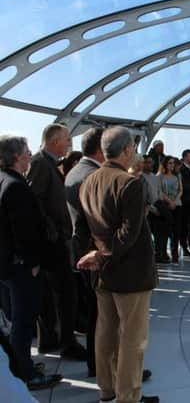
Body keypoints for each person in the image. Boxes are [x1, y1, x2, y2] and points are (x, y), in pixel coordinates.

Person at [76, 126, 159, 403]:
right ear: (125, 150)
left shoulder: (88, 181)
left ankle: (107, 389)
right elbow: (129, 233)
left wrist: (96, 255)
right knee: (133, 338)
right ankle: (129, 396)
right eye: (133, 148)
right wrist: (102, 255)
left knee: (106, 333)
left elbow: (86, 229)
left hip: (103, 275)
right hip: (131, 275)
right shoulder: (129, 183)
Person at [0, 135, 63, 390]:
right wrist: (32, 262)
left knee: (16, 319)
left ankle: (19, 363)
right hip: (21, 268)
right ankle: (25, 373)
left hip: (7, 266)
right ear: (16, 156)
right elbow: (24, 231)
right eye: (26, 151)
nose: (29, 155)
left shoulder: (4, 181)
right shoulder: (15, 186)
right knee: (24, 321)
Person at [27, 124, 87, 360]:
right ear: (53, 141)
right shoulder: (42, 163)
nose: (68, 144)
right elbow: (35, 201)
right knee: (64, 292)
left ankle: (52, 340)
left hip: (55, 239)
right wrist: (52, 231)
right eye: (65, 140)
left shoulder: (48, 163)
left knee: (56, 293)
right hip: (53, 243)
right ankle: (66, 343)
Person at [64, 127, 104, 378]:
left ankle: (97, 363)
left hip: (81, 250)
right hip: (94, 254)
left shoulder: (75, 171)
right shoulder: (93, 176)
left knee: (95, 314)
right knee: (102, 316)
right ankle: (103, 367)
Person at [157, 156, 182, 263]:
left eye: (173, 163)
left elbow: (181, 190)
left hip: (177, 205)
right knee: (166, 231)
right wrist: (169, 201)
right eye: (169, 163)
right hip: (166, 205)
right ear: (165, 164)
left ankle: (175, 253)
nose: (171, 165)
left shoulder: (177, 176)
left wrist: (175, 201)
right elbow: (159, 191)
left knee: (176, 231)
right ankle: (163, 253)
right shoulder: (160, 177)